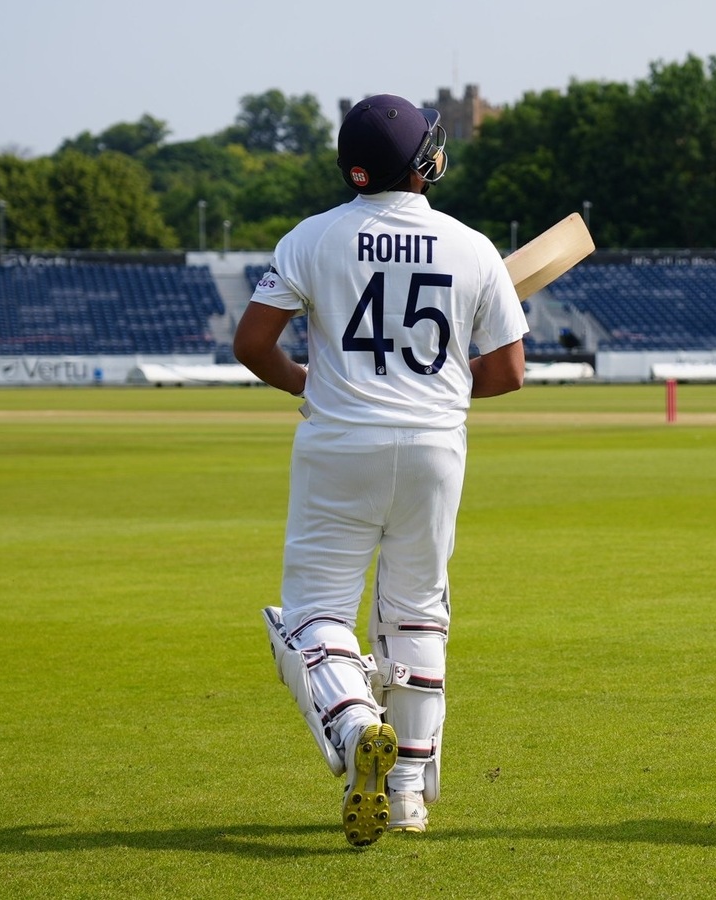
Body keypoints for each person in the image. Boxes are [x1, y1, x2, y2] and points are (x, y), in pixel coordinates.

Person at [234, 93, 529, 847]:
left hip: (339, 443)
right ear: (422, 162)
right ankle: (407, 800)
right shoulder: (471, 246)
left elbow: (252, 343)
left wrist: (310, 382)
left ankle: (357, 722)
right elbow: (509, 372)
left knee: (312, 615)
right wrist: (442, 383)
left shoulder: (313, 237)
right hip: (434, 447)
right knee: (417, 616)